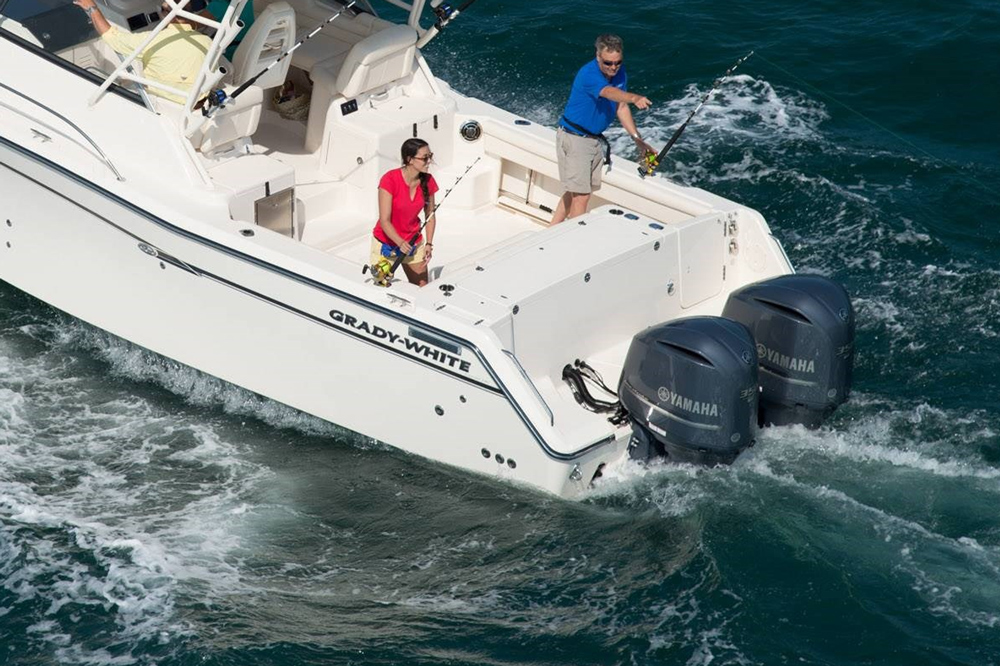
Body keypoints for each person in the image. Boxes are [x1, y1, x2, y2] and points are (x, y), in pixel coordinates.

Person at [550, 34, 657, 225]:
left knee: (577, 192)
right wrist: (634, 98)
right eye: (608, 63)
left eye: (618, 62)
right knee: (581, 197)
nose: (613, 67)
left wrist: (637, 140)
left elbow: (620, 106)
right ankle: (575, 241)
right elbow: (609, 92)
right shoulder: (589, 74)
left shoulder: (620, 73)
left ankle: (552, 229)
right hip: (575, 139)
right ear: (598, 56)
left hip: (593, 140)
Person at [74, 0, 212, 105]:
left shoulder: (152, 40)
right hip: (197, 101)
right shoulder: (207, 42)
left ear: (164, 13)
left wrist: (92, 8)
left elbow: (113, 38)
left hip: (164, 102)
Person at [372, 139, 439, 287]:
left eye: (430, 156)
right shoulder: (389, 180)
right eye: (424, 158)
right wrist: (400, 243)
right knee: (381, 286)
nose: (429, 161)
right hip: (387, 244)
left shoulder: (428, 181)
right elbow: (384, 220)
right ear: (409, 159)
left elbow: (430, 216)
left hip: (412, 243)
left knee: (422, 286)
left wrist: (428, 243)